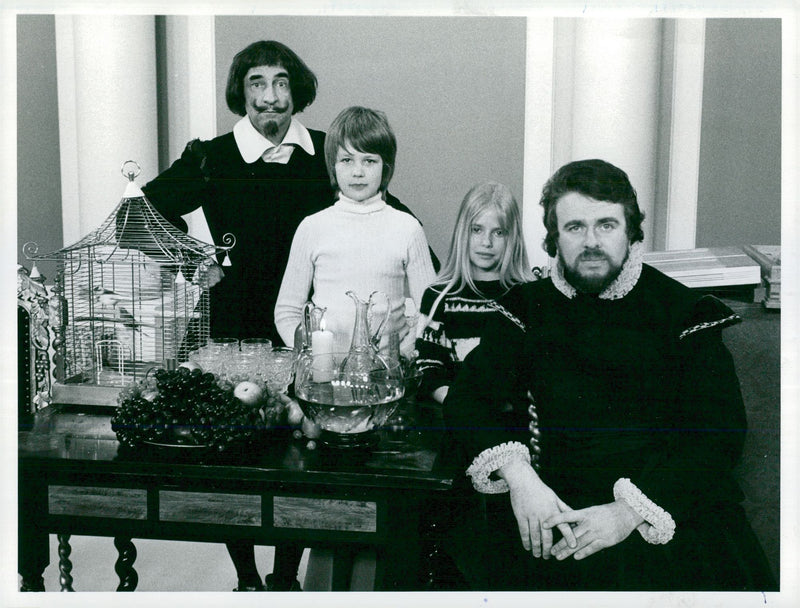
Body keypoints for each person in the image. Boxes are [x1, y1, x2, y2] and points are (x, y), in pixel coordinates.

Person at [142, 41, 432, 593]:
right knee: (237, 458)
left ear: (297, 91)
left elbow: (397, 227)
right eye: (256, 83)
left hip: (310, 334)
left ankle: (285, 577)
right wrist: (194, 262)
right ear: (241, 92)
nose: (270, 96)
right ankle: (248, 577)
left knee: (300, 460)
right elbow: (141, 215)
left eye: (281, 82)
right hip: (236, 328)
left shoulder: (329, 153)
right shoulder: (211, 157)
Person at [443, 159, 777, 590]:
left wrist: (626, 513)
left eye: (606, 225)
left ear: (631, 230)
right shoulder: (526, 309)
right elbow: (467, 400)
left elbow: (717, 436)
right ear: (553, 238)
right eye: (575, 227)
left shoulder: (681, 313)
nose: (591, 242)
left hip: (661, 518)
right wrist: (521, 479)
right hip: (554, 518)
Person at [274, 106, 436, 355]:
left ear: (386, 168)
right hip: (324, 375)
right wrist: (312, 357)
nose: (357, 171)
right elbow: (287, 312)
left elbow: (431, 309)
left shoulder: (408, 228)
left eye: (369, 160)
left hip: (388, 376)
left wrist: (403, 352)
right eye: (347, 160)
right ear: (333, 166)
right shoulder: (312, 227)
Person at [415, 181, 536, 404]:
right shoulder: (439, 297)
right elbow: (427, 367)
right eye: (477, 230)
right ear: (463, 232)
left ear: (513, 238)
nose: (486, 242)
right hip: (456, 418)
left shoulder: (529, 296)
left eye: (498, 232)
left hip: (514, 424)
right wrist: (460, 403)